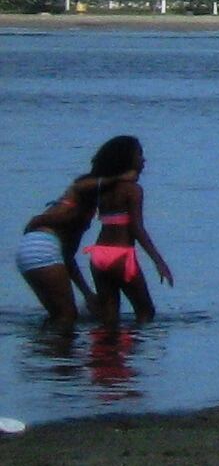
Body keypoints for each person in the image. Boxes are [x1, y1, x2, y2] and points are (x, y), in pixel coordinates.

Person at [17, 142, 119, 326]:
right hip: (43, 247)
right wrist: (120, 178)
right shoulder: (82, 188)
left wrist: (87, 294)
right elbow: (83, 186)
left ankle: (43, 350)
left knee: (61, 315)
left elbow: (68, 257)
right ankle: (50, 352)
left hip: (34, 248)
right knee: (66, 316)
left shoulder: (82, 209)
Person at [83, 136, 173, 326]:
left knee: (109, 317)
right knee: (145, 311)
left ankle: (105, 352)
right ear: (128, 159)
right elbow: (136, 228)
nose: (144, 159)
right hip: (121, 256)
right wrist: (159, 262)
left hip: (98, 254)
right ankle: (134, 352)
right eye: (139, 154)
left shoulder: (102, 189)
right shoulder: (133, 190)